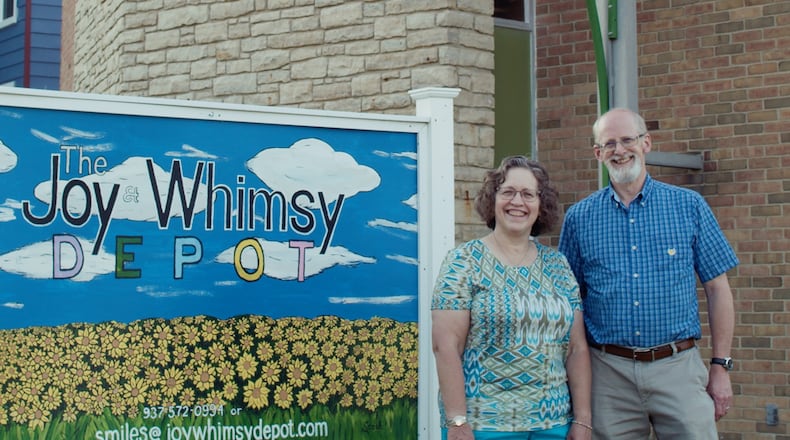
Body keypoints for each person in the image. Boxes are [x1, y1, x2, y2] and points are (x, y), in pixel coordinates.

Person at [558, 108, 738, 439]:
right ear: (598, 154)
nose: (619, 150)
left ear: (646, 143)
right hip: (608, 374)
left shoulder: (689, 206)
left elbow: (718, 289)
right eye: (609, 143)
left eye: (628, 140)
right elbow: (571, 304)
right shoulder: (579, 218)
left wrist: (720, 365)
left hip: (678, 367)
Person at [432, 156, 592, 440]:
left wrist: (583, 420)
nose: (517, 201)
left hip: (552, 424)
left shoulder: (558, 265)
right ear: (492, 200)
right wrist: (456, 421)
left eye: (528, 194)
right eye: (507, 192)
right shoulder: (463, 262)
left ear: (541, 205)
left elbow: (577, 348)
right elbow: (445, 347)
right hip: (484, 425)